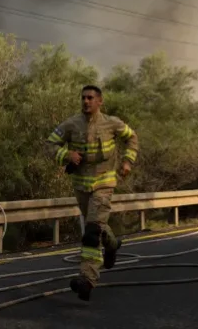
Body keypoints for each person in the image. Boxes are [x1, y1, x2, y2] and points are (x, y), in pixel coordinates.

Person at [46, 85, 139, 301]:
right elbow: (49, 144)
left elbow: (132, 138)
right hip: (81, 186)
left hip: (104, 183)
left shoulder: (112, 123)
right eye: (83, 98)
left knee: (91, 231)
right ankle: (113, 245)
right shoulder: (71, 124)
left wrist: (127, 161)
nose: (86, 101)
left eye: (90, 98)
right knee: (97, 226)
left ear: (100, 102)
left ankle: (87, 279)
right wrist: (65, 154)